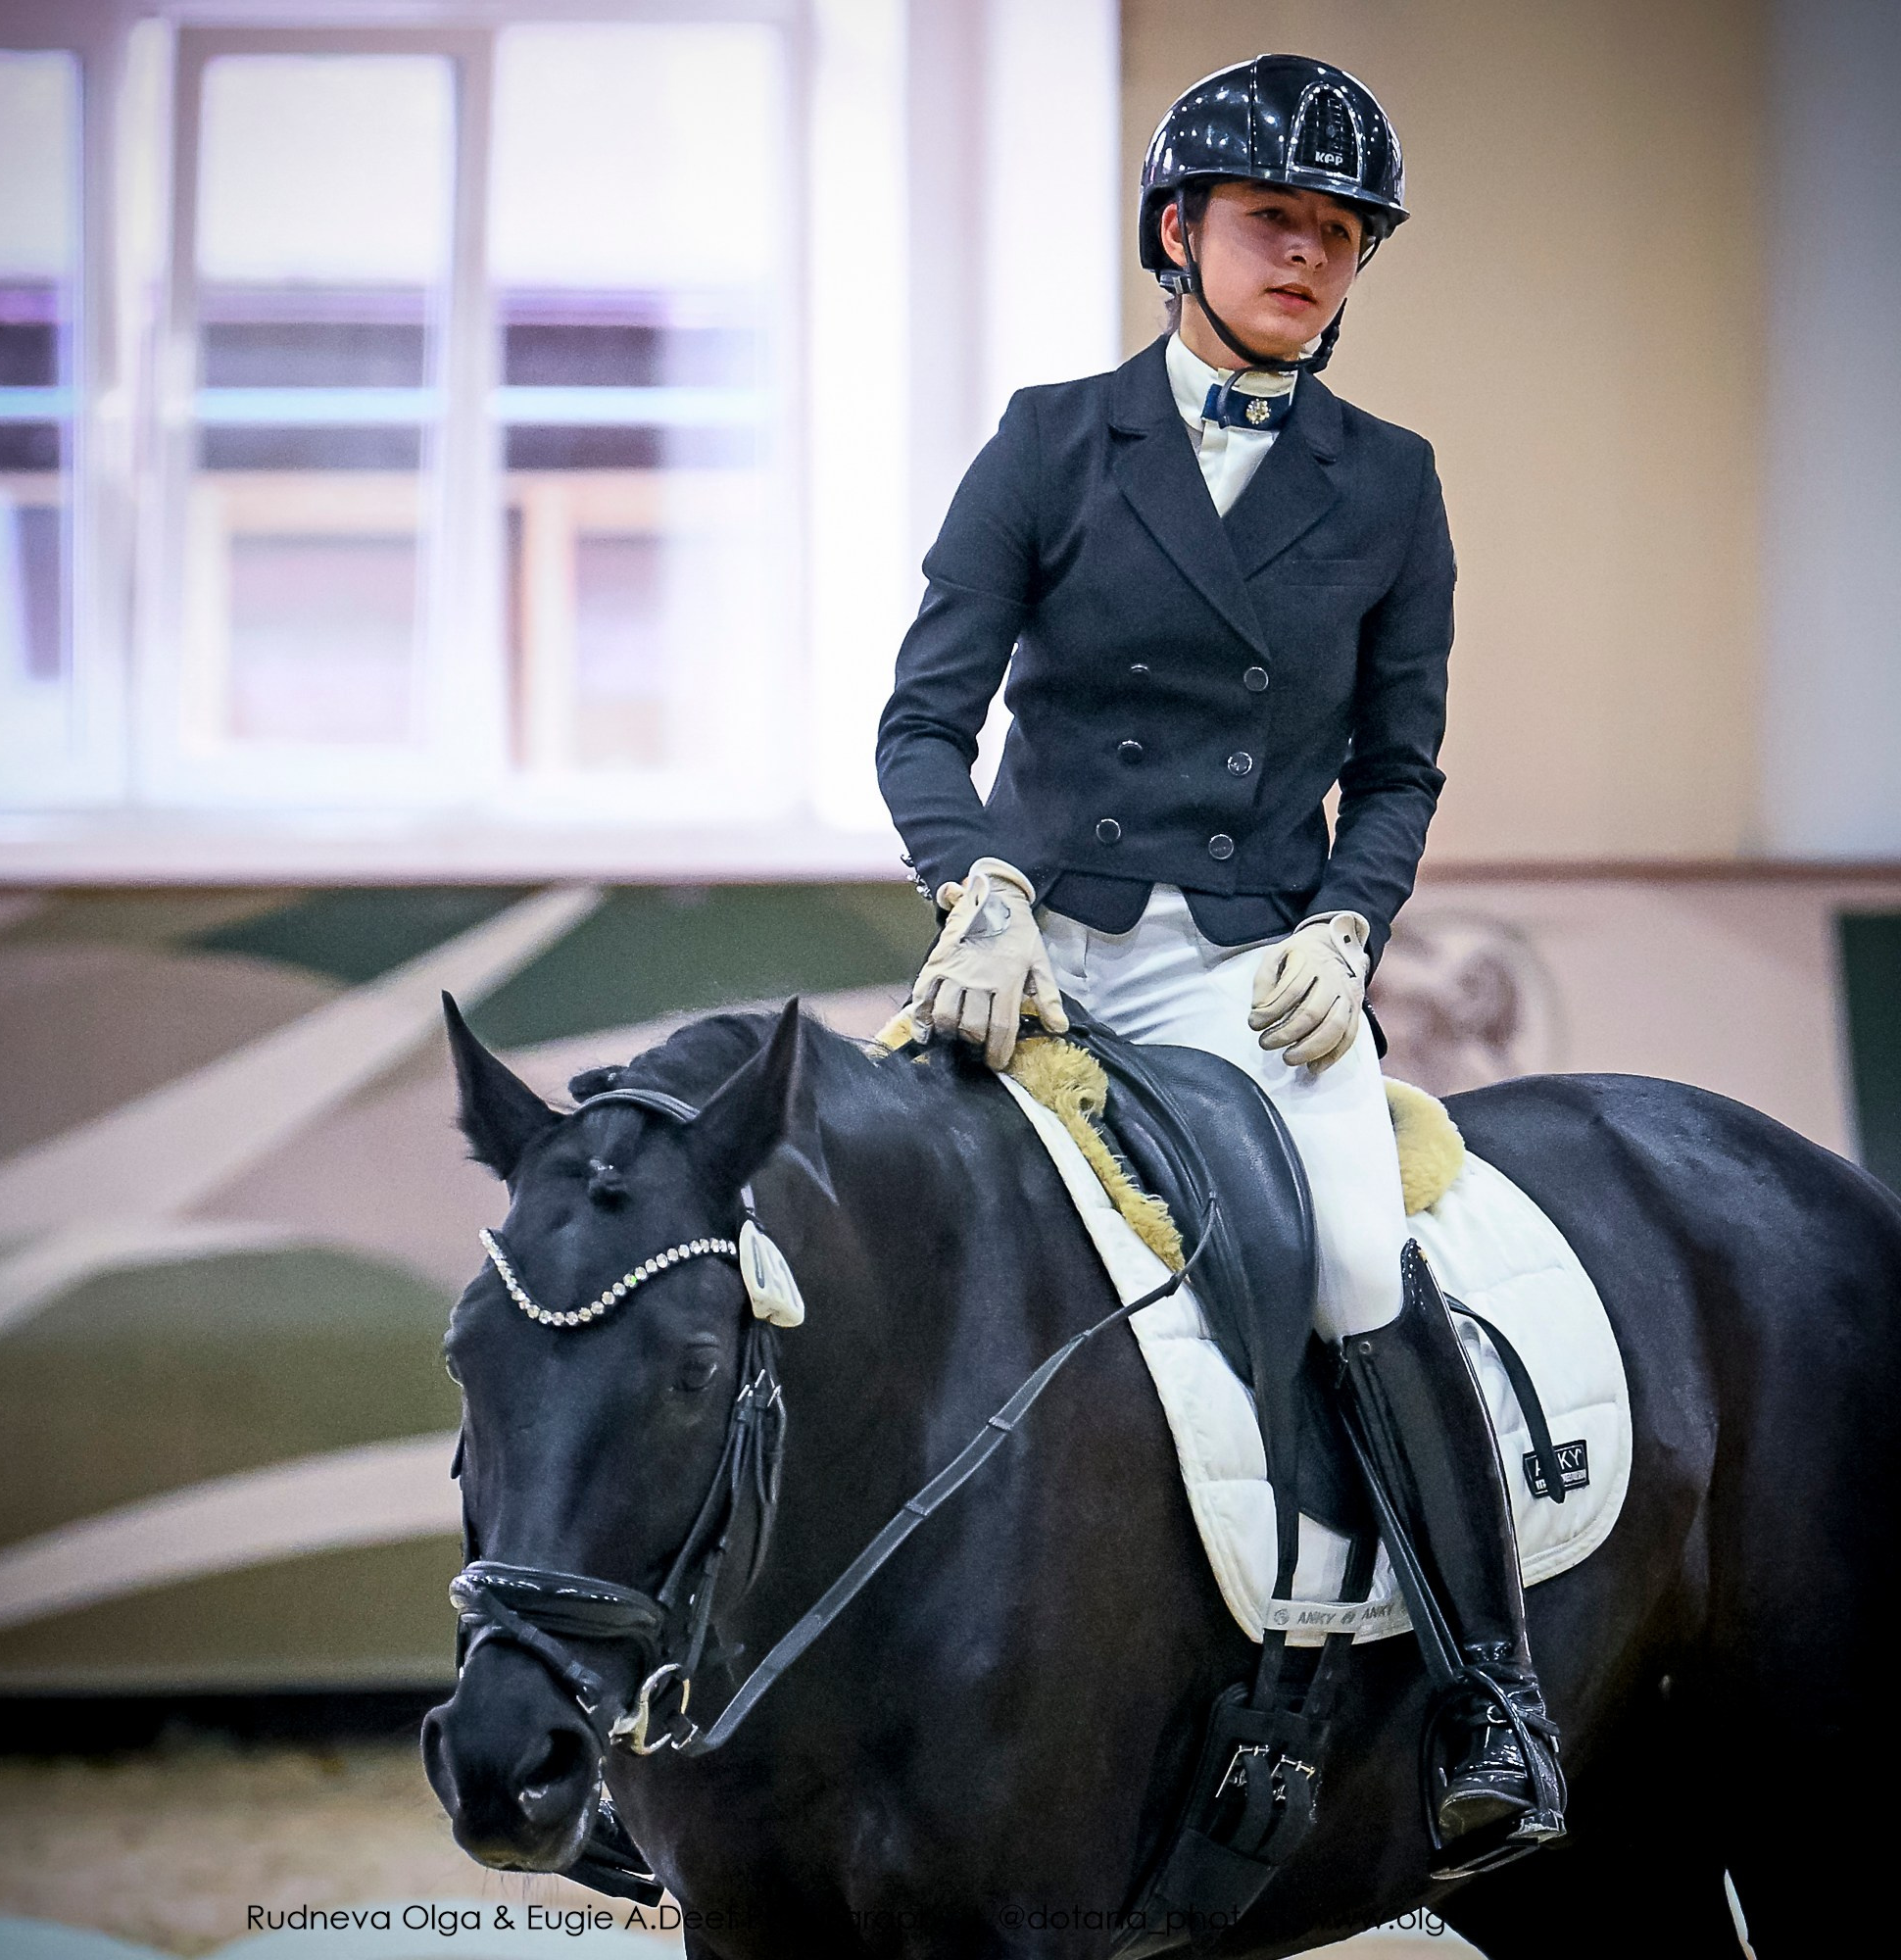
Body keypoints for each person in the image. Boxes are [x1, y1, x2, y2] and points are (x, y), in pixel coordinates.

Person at [875, 55, 1565, 1870]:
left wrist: (1351, 928)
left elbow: (1401, 768)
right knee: (848, 1244)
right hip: (1028, 948)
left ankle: (1492, 1692)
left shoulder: (1392, 485)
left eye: (1342, 238)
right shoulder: (1046, 439)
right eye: (1278, 222)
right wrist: (981, 890)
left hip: (1249, 968)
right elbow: (923, 727)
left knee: (1352, 1251)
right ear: (1179, 232)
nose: (1312, 260)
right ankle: (718, 1698)